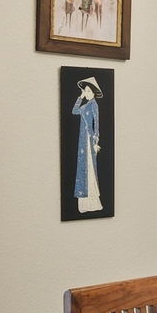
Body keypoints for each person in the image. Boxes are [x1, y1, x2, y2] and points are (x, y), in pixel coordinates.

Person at [73, 76, 104, 213]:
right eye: (84, 91)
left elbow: (96, 122)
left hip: (89, 139)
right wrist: (80, 97)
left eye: (87, 91)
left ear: (92, 92)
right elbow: (74, 111)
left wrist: (96, 138)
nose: (85, 93)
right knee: (82, 166)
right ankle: (84, 202)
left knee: (90, 166)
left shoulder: (94, 105)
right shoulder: (85, 105)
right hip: (82, 140)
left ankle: (92, 201)